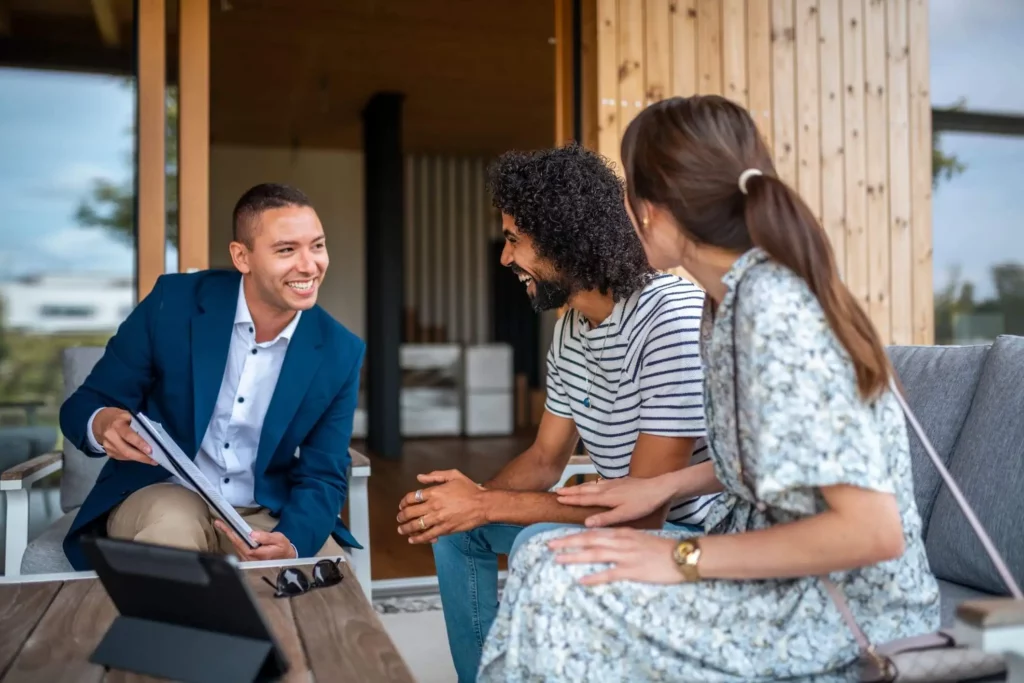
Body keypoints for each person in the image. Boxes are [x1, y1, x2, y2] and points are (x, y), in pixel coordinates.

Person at [476, 95, 941, 682]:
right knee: (550, 559)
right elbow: (778, 461)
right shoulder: (725, 306)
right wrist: (661, 487)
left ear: (656, 205)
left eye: (628, 193)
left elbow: (872, 531)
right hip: (775, 572)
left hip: (843, 610)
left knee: (561, 580)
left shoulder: (774, 313)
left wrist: (680, 555)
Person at [395, 143, 718, 682]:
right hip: (624, 513)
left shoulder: (671, 319)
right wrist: (468, 505)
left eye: (515, 241)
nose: (504, 259)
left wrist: (489, 505)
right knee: (457, 533)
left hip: (690, 537)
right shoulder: (571, 331)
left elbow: (646, 510)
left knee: (534, 541)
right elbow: (545, 458)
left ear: (567, 239)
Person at [59, 183, 365, 571]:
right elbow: (85, 404)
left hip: (263, 511)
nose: (309, 265)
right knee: (171, 536)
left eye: (317, 246)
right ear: (242, 256)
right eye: (286, 250)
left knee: (320, 587)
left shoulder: (340, 351)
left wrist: (293, 541)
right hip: (165, 493)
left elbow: (324, 472)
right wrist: (102, 423)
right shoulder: (173, 303)